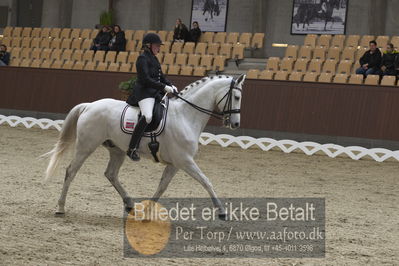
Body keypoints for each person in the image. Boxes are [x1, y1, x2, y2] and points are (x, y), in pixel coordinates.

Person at [126, 33, 178, 161]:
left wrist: (171, 85)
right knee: (148, 116)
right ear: (148, 45)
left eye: (159, 46)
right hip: (144, 92)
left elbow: (161, 77)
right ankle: (132, 148)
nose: (158, 48)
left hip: (154, 92)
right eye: (156, 45)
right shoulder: (142, 58)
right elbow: (145, 79)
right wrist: (163, 87)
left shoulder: (154, 58)